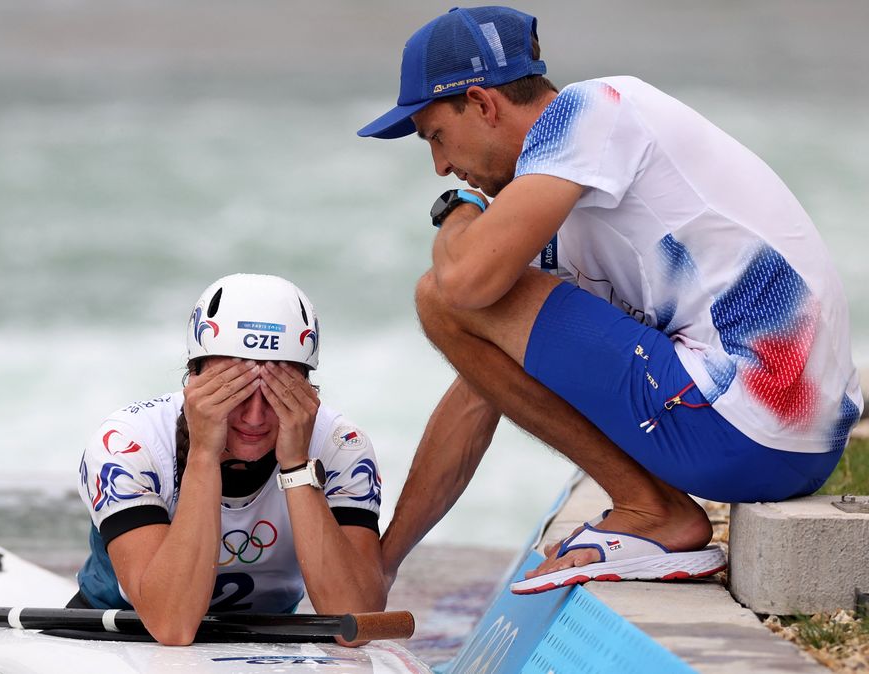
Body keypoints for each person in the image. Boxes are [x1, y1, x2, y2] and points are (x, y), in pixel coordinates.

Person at [357, 6, 862, 594]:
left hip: (746, 424)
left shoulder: (593, 109)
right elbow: (480, 391)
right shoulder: (569, 204)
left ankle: (653, 512)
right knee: (467, 312)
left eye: (437, 136)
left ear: (483, 103)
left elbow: (463, 287)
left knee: (441, 298)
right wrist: (386, 562)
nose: (441, 164)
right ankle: (650, 506)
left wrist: (458, 211)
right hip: (799, 445)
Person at [73, 273, 386, 644]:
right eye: (232, 390)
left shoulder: (340, 444)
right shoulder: (127, 442)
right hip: (119, 629)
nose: (254, 418)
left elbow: (357, 622)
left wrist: (298, 466)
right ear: (193, 380)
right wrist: (204, 454)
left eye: (276, 393)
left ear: (306, 389)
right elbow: (172, 624)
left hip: (268, 638)